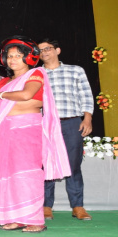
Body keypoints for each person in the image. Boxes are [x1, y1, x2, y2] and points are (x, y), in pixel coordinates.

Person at [0, 36, 71, 233]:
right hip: (5, 130)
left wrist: (0, 95)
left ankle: (35, 220)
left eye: (18, 56)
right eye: (10, 56)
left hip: (27, 130)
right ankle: (15, 217)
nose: (13, 59)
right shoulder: (5, 81)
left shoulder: (36, 74)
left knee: (27, 175)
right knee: (8, 175)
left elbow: (26, 95)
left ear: (29, 58)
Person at [39, 38, 94, 221]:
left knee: (73, 164)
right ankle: (46, 206)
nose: (44, 52)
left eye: (48, 48)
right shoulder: (37, 74)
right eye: (40, 50)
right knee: (46, 164)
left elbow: (86, 95)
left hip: (72, 122)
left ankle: (77, 206)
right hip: (46, 123)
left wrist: (87, 118)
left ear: (57, 50)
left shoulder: (75, 70)